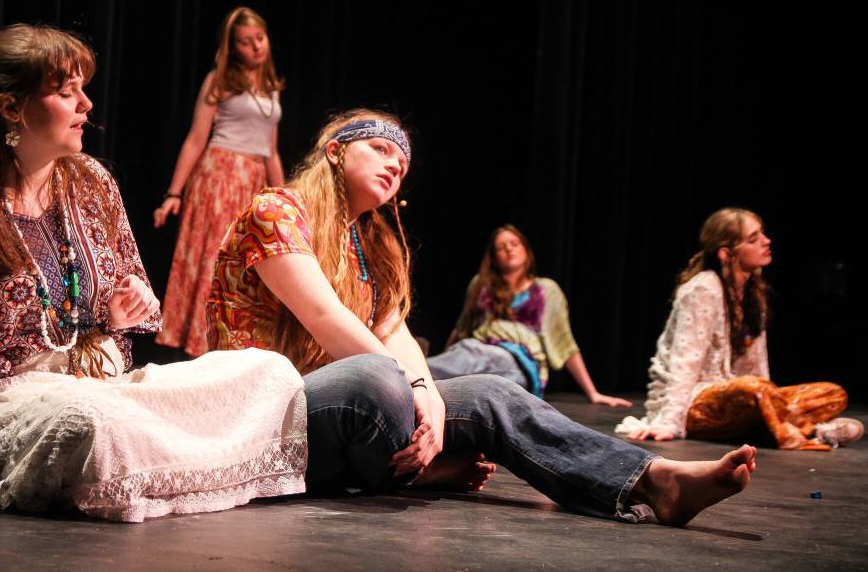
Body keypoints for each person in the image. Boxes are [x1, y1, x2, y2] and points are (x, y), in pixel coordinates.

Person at [207, 109, 759, 526]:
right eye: (380, 149)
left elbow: (394, 333)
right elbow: (324, 316)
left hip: (357, 411)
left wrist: (427, 393)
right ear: (334, 151)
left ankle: (655, 482)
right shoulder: (276, 210)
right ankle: (423, 471)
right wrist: (411, 389)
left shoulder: (371, 245)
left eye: (402, 164)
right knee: (377, 378)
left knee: (489, 391)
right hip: (276, 414)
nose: (395, 165)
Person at [0, 24, 307, 522]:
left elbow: (124, 309)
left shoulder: (92, 183)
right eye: (66, 92)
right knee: (89, 424)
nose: (87, 104)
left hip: (99, 388)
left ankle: (153, 454)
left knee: (264, 372)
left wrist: (119, 312)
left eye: (83, 89)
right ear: (11, 108)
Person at [615, 208, 859, 450]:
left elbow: (758, 368)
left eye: (763, 234)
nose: (766, 241)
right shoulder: (703, 289)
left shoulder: (753, 293)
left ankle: (781, 426)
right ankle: (806, 429)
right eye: (753, 239)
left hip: (740, 398)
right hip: (693, 403)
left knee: (834, 393)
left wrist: (767, 399)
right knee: (752, 388)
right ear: (727, 254)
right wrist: (669, 422)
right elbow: (685, 362)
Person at [153, 6, 285, 358]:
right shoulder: (220, 80)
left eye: (260, 38)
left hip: (253, 178)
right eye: (245, 42)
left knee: (242, 262)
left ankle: (232, 341)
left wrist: (284, 198)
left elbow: (271, 151)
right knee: (214, 257)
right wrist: (174, 193)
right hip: (220, 174)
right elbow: (196, 139)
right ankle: (201, 343)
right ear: (233, 47)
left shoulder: (271, 88)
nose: (256, 47)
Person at [428, 224, 632, 406]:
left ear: (526, 250)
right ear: (494, 258)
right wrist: (448, 353)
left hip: (518, 363)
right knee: (464, 362)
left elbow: (564, 342)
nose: (509, 249)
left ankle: (417, 372)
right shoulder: (480, 285)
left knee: (479, 354)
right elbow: (461, 328)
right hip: (477, 355)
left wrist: (593, 393)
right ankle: (421, 374)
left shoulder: (545, 290)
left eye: (514, 244)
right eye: (501, 247)